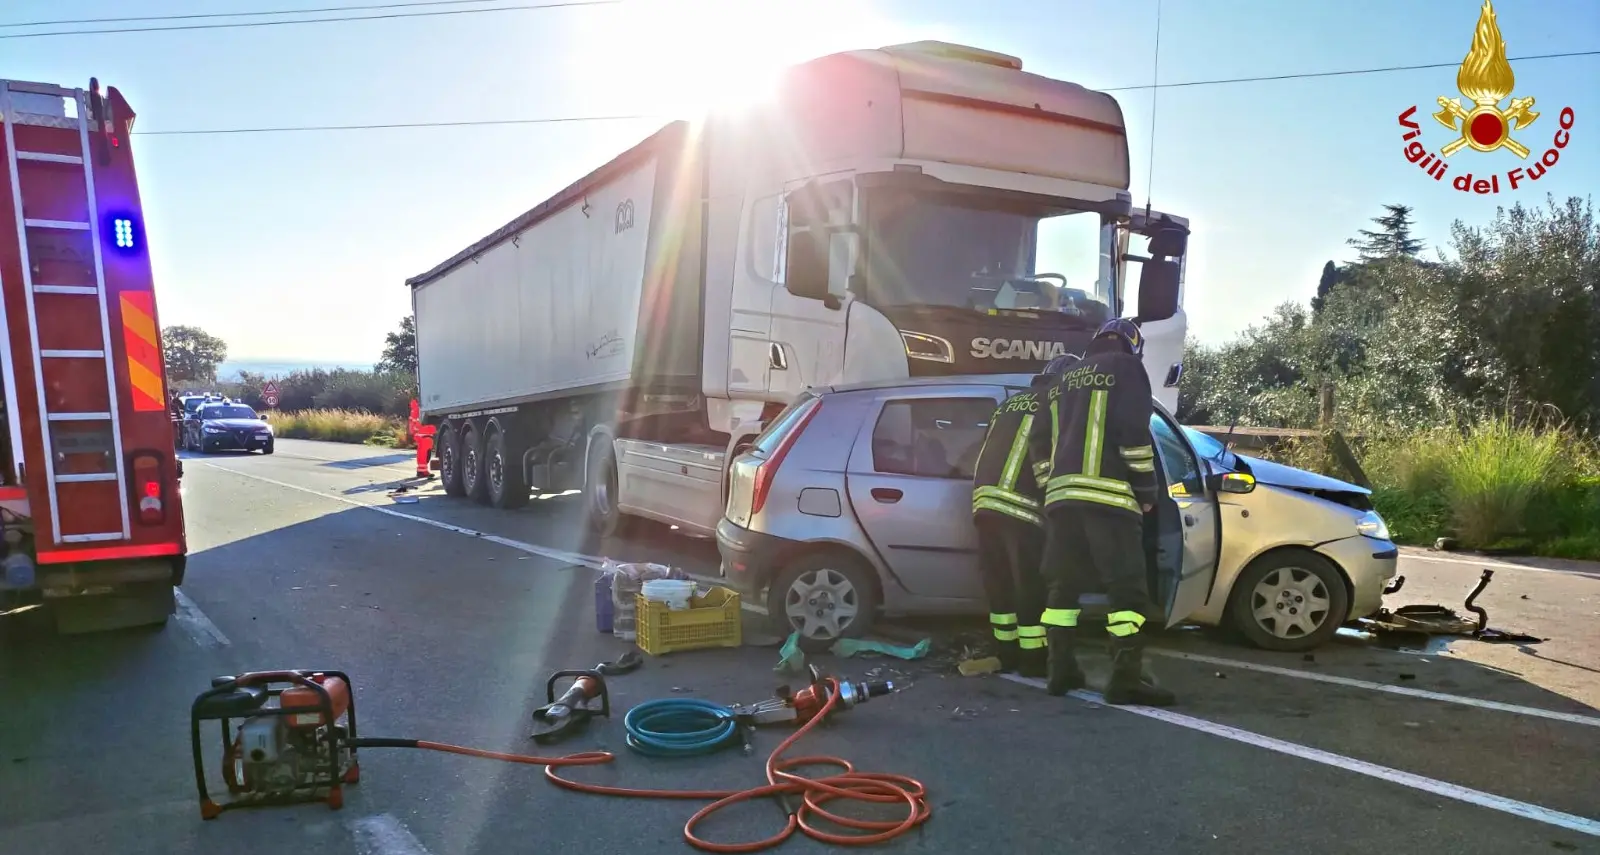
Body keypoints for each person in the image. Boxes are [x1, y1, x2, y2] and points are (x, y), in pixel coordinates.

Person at [1030, 318, 1176, 706]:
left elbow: (1039, 444)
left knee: (1063, 587)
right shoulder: (1127, 368)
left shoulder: (1062, 378)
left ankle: (1059, 671)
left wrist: (1053, 490)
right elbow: (1134, 436)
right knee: (1126, 591)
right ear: (1132, 346)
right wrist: (1147, 491)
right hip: (1109, 499)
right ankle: (1126, 679)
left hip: (1061, 502)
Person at [969, 353, 1077, 676]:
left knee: (999, 582)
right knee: (1029, 584)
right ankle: (1033, 659)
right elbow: (1053, 456)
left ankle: (1007, 651)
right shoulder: (1057, 404)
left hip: (985, 502)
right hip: (1023, 505)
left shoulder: (1008, 404)